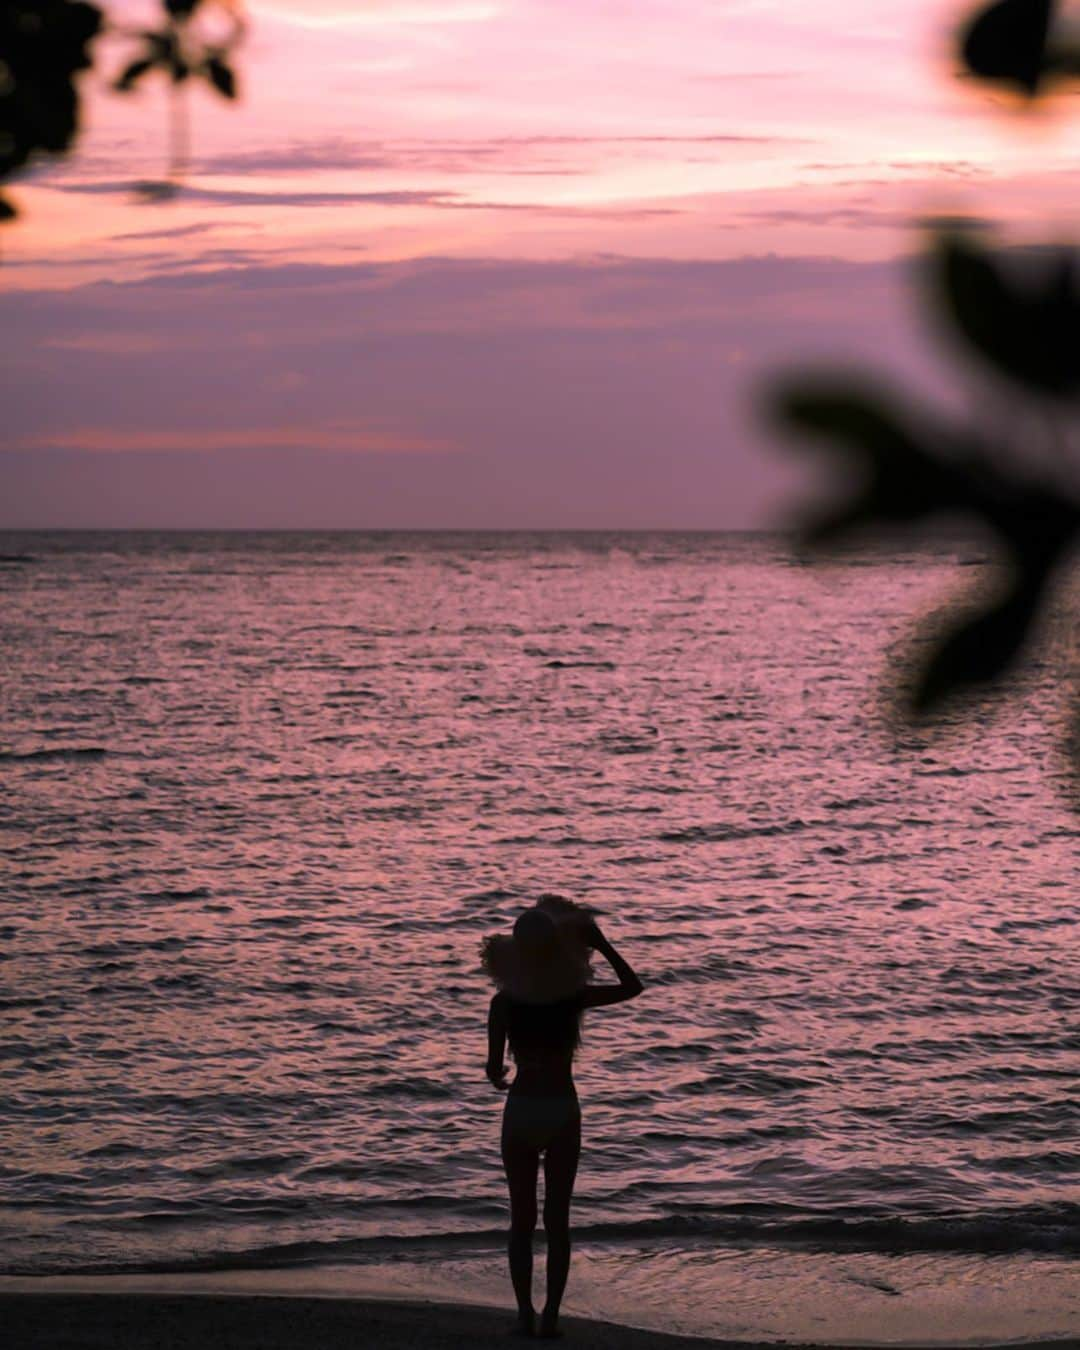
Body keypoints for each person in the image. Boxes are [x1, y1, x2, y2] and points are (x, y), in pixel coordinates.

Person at [481, 896, 644, 1338]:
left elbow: (496, 1069)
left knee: (521, 1220)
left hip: (522, 1110)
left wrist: (498, 1075)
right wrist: (603, 944)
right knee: (557, 1221)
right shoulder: (572, 997)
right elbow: (633, 987)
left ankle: (523, 1315)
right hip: (562, 1110)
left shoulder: (504, 1003)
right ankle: (551, 1316)